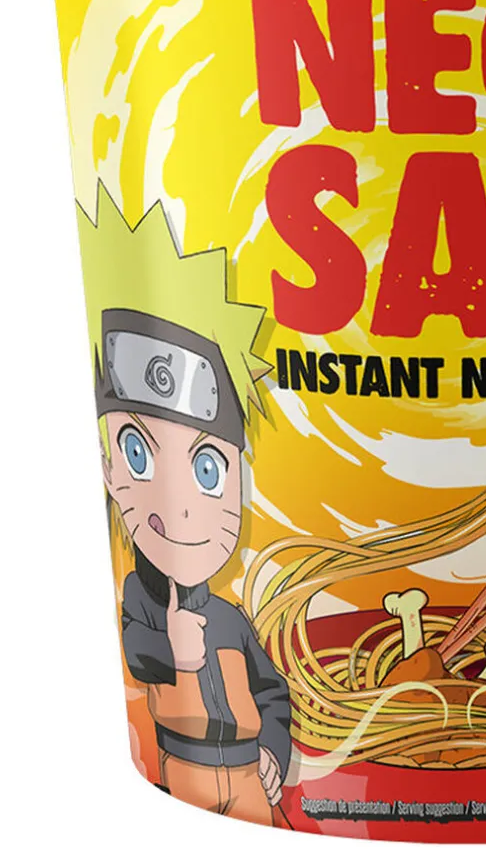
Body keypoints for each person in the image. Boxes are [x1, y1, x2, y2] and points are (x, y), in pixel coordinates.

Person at [79, 184, 291, 824]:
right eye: (137, 455)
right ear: (112, 469)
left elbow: (270, 690)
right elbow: (138, 651)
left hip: (249, 777)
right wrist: (175, 651)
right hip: (181, 776)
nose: (180, 512)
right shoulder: (141, 600)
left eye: (207, 470)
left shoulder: (230, 618)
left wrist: (275, 748)